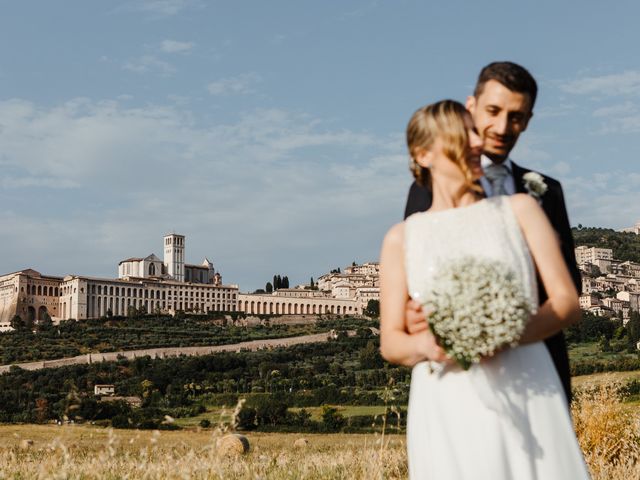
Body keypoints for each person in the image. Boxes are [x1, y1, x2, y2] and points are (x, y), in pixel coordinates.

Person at [379, 100, 589, 478]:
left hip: (525, 381)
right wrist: (431, 345)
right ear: (423, 154)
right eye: (463, 136)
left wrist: (502, 334)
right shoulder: (402, 238)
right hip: (446, 396)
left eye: (475, 132)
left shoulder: (521, 210)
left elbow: (567, 302)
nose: (478, 142)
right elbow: (391, 342)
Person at [403, 62, 580, 403]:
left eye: (516, 116)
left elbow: (570, 287)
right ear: (471, 107)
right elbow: (419, 278)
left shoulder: (546, 192)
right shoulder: (427, 187)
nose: (502, 127)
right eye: (493, 111)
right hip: (460, 378)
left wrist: (502, 329)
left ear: (528, 120)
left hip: (540, 374)